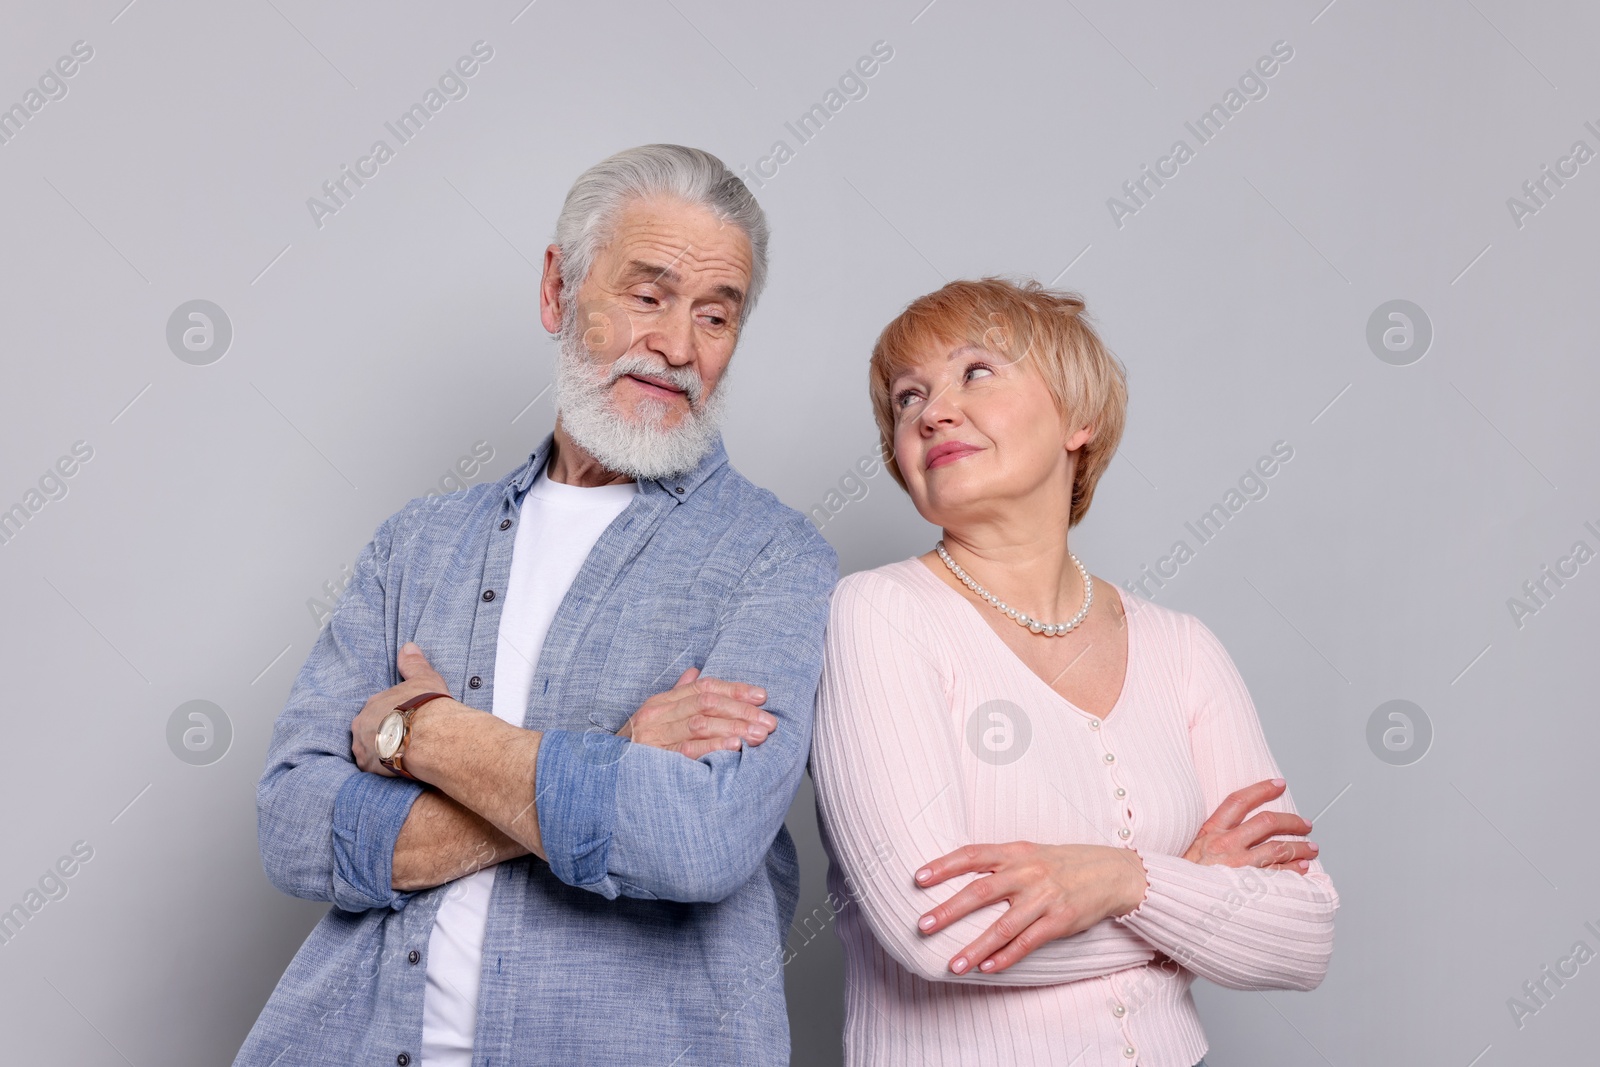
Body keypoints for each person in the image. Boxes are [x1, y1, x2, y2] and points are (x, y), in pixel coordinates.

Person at [233, 144, 837, 1067]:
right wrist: (618, 758)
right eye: (648, 295)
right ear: (559, 289)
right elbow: (291, 827)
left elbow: (698, 840)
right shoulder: (417, 543)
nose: (678, 346)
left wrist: (424, 735)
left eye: (716, 316)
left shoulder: (779, 557)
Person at [809, 278, 1339, 1067]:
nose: (931, 411)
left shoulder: (1183, 646)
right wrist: (1186, 896)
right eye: (906, 396)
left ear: (1078, 418)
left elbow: (1303, 934)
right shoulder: (878, 613)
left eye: (976, 372)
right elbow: (941, 929)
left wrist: (1124, 879)